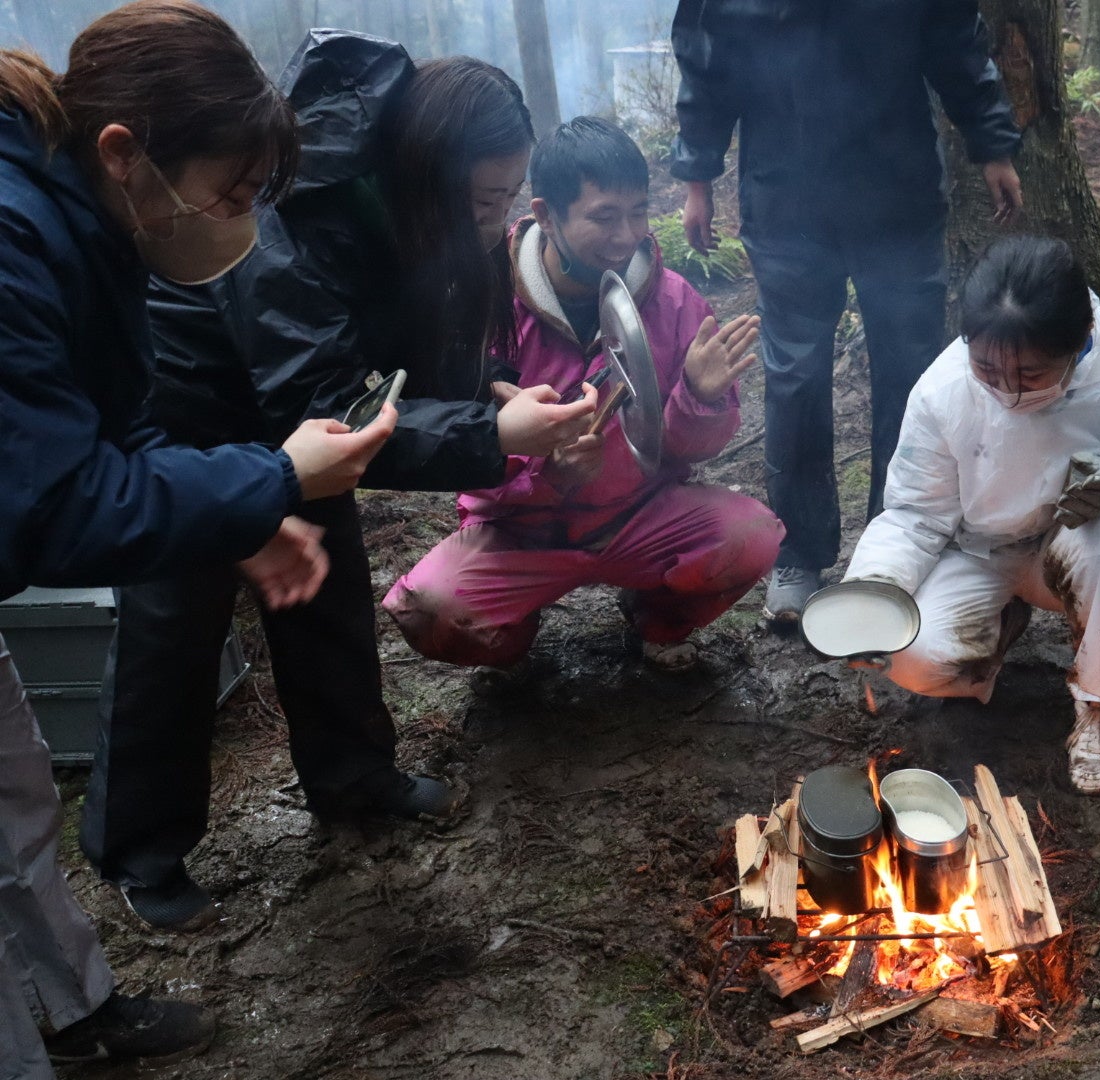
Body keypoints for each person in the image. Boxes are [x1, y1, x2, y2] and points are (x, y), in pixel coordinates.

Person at [81, 34, 597, 933]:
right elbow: (328, 400)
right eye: (484, 200)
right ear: (429, 175)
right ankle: (141, 850)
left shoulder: (415, 205)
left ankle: (353, 777)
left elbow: (396, 351)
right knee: (175, 623)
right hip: (192, 409)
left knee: (327, 587)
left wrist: (487, 392)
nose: (497, 219)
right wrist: (487, 435)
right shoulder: (296, 207)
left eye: (508, 197)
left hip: (309, 411)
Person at [0, 2, 396, 1072]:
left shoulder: (88, 220)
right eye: (225, 193)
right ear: (124, 152)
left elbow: (120, 427)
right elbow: (50, 506)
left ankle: (74, 1014)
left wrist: (244, 520)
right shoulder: (13, 239)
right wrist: (275, 476)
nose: (233, 221)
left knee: (14, 801)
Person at [383, 118, 784, 673]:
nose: (627, 235)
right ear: (547, 215)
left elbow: (689, 450)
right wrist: (548, 474)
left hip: (638, 513)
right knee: (431, 611)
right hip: (519, 529)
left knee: (752, 537)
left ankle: (657, 618)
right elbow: (461, 441)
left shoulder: (673, 301)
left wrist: (699, 397)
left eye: (638, 212)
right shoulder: (483, 300)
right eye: (604, 216)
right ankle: (513, 635)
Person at [670, 0, 1025, 623]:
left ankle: (900, 544)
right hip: (784, 195)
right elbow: (708, 56)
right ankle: (798, 553)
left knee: (910, 371)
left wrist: (993, 143)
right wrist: (697, 177)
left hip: (897, 189)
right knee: (795, 375)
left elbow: (955, 40)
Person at [843, 237, 1100, 793]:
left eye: (1029, 374)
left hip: (1075, 548)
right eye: (986, 368)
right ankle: (997, 630)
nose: (1006, 390)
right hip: (979, 550)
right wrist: (876, 589)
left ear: (1080, 338)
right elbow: (916, 513)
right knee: (911, 656)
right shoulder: (943, 391)